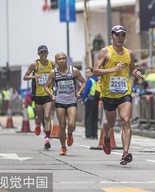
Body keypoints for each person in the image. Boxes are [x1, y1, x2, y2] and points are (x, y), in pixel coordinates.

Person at [93, 25, 144, 165]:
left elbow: (132, 69)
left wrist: (136, 73)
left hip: (124, 92)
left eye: (122, 35)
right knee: (110, 123)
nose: (120, 38)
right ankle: (107, 135)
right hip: (108, 93)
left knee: (125, 120)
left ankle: (125, 153)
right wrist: (113, 69)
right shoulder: (105, 52)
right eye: (117, 35)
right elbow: (95, 71)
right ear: (112, 36)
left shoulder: (129, 53)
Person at [44, 52, 86, 156]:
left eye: (63, 58)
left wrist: (79, 92)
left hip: (71, 101)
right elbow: (46, 86)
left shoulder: (74, 71)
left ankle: (70, 133)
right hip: (60, 102)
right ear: (56, 61)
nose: (61, 60)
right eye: (59, 59)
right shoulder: (54, 73)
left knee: (71, 124)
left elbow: (84, 82)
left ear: (66, 59)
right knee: (62, 125)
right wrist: (52, 96)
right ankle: (63, 147)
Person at [22, 45, 55, 150]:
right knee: (40, 117)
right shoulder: (34, 64)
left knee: (47, 115)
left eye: (45, 52)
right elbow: (25, 77)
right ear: (38, 54)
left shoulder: (52, 64)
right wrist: (34, 76)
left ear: (48, 53)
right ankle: (38, 124)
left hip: (48, 94)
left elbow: (57, 75)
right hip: (38, 94)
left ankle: (47, 138)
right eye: (41, 53)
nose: (43, 55)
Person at [81, 67, 100, 140]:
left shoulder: (90, 80)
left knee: (88, 117)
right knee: (95, 118)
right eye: (86, 72)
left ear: (92, 72)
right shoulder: (96, 80)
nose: (86, 74)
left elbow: (86, 91)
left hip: (90, 100)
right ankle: (94, 134)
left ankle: (88, 134)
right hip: (95, 100)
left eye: (88, 72)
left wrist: (83, 99)